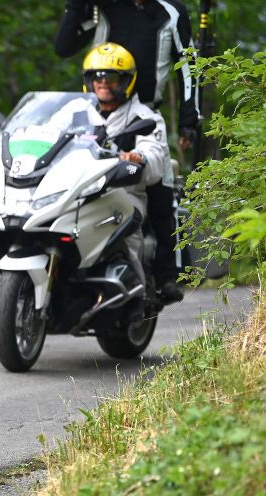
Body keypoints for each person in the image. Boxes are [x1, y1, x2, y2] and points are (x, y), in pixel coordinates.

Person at [54, 0, 195, 301]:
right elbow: (64, 47)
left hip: (143, 117)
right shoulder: (103, 7)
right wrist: (74, 7)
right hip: (97, 112)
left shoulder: (171, 12)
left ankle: (168, 274)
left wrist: (188, 120)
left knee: (159, 188)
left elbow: (189, 66)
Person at [83, 42, 167, 310]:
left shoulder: (145, 117)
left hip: (122, 192)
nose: (103, 83)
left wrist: (139, 157)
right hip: (77, 190)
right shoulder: (74, 111)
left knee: (125, 224)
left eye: (111, 77)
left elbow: (156, 157)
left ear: (126, 81)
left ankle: (139, 297)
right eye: (98, 76)